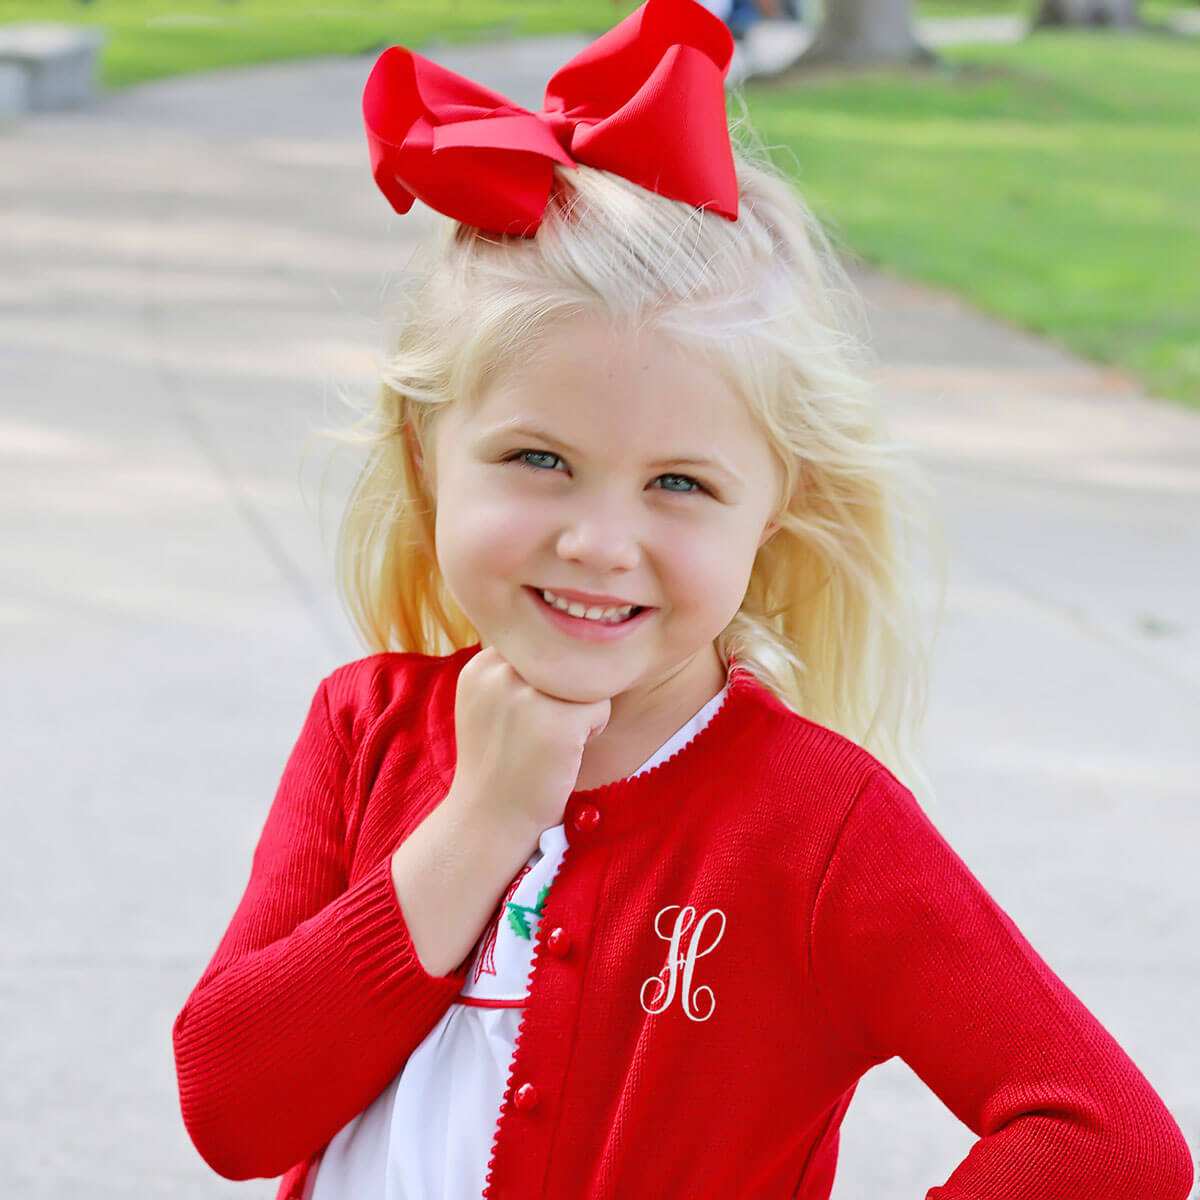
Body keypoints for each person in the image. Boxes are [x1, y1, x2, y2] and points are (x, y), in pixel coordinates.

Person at [172, 1, 1195, 1197]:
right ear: (422, 458)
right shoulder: (367, 731)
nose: (601, 542)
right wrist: (484, 820)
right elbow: (233, 1117)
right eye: (537, 459)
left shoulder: (818, 826)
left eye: (679, 483)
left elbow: (1106, 1141)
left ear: (772, 510)